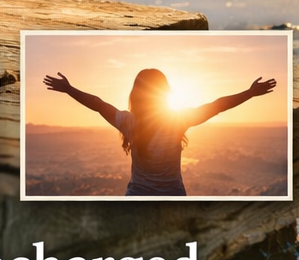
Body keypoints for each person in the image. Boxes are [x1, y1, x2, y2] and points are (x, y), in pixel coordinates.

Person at [43, 66, 277, 196]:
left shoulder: (128, 122)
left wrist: (69, 89)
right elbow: (216, 106)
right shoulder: (177, 120)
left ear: (136, 94)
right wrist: (249, 93)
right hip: (173, 195)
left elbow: (98, 104)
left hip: (137, 196)